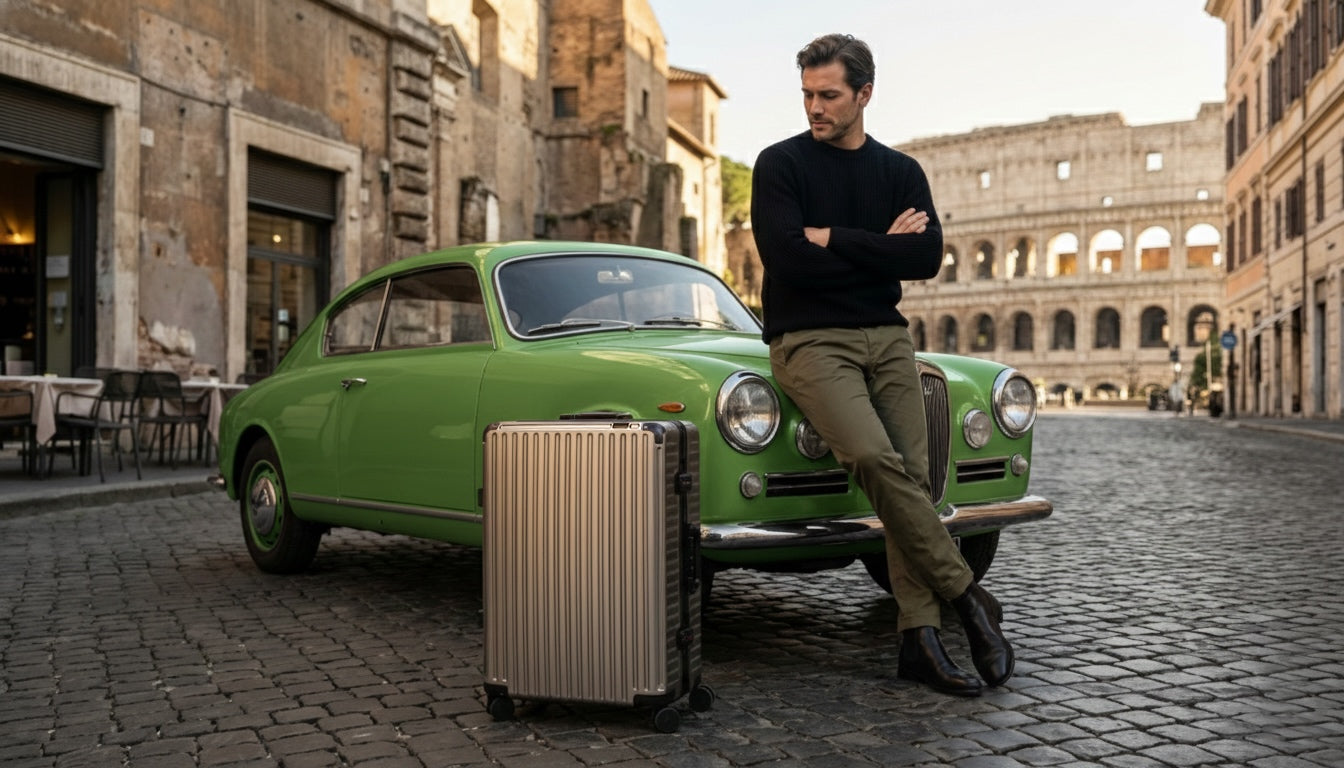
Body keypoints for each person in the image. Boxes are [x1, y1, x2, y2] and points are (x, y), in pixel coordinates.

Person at [750, 33, 1012, 697]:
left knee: (915, 480)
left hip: (888, 338)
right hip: (809, 339)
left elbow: (924, 259)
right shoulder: (778, 165)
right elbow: (786, 260)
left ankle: (918, 641)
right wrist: (877, 250)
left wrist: (833, 237)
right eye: (807, 93)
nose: (815, 106)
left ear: (864, 94)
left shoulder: (900, 172)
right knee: (875, 459)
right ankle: (966, 597)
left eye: (829, 94)